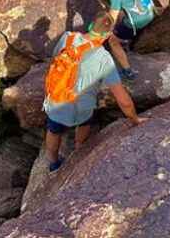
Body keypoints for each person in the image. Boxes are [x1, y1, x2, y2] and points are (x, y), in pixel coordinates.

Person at [43, 11, 145, 172]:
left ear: (91, 25)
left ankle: (54, 163)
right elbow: (123, 100)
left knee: (54, 131)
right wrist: (135, 120)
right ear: (108, 35)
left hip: (57, 101)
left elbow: (56, 58)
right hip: (83, 109)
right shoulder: (104, 58)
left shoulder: (67, 37)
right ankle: (79, 149)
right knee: (86, 121)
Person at [105, 0, 155, 81]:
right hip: (150, 13)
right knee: (124, 12)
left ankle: (128, 72)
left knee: (112, 40)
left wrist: (105, 32)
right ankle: (127, 39)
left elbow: (112, 17)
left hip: (137, 22)